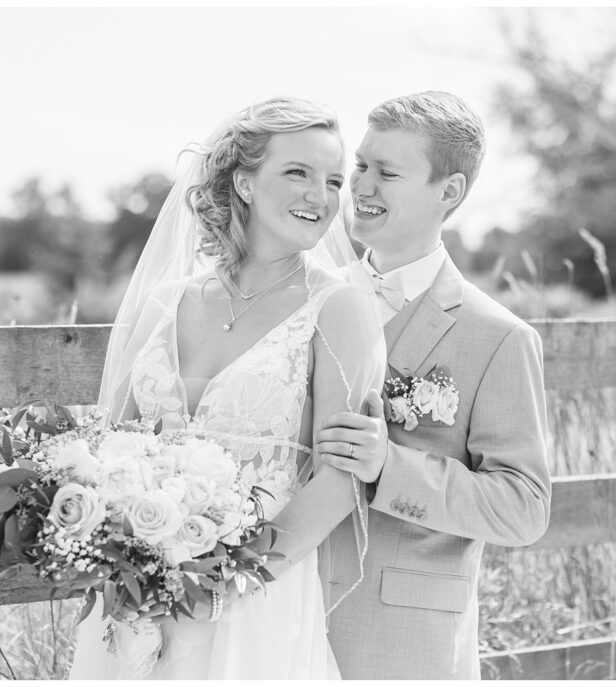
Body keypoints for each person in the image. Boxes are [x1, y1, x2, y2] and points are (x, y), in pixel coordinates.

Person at [66, 96, 385, 680]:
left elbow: (341, 478)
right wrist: (126, 557)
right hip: (137, 594)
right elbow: (111, 447)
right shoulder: (167, 302)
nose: (322, 195)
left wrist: (227, 583)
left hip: (256, 597)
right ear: (243, 182)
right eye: (298, 172)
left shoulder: (339, 307)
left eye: (334, 180)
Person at [314, 91, 551, 679]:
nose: (361, 186)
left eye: (387, 172)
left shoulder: (498, 337)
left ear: (449, 192)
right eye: (361, 166)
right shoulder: (304, 298)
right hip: (278, 607)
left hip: (400, 637)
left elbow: (524, 508)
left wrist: (388, 466)